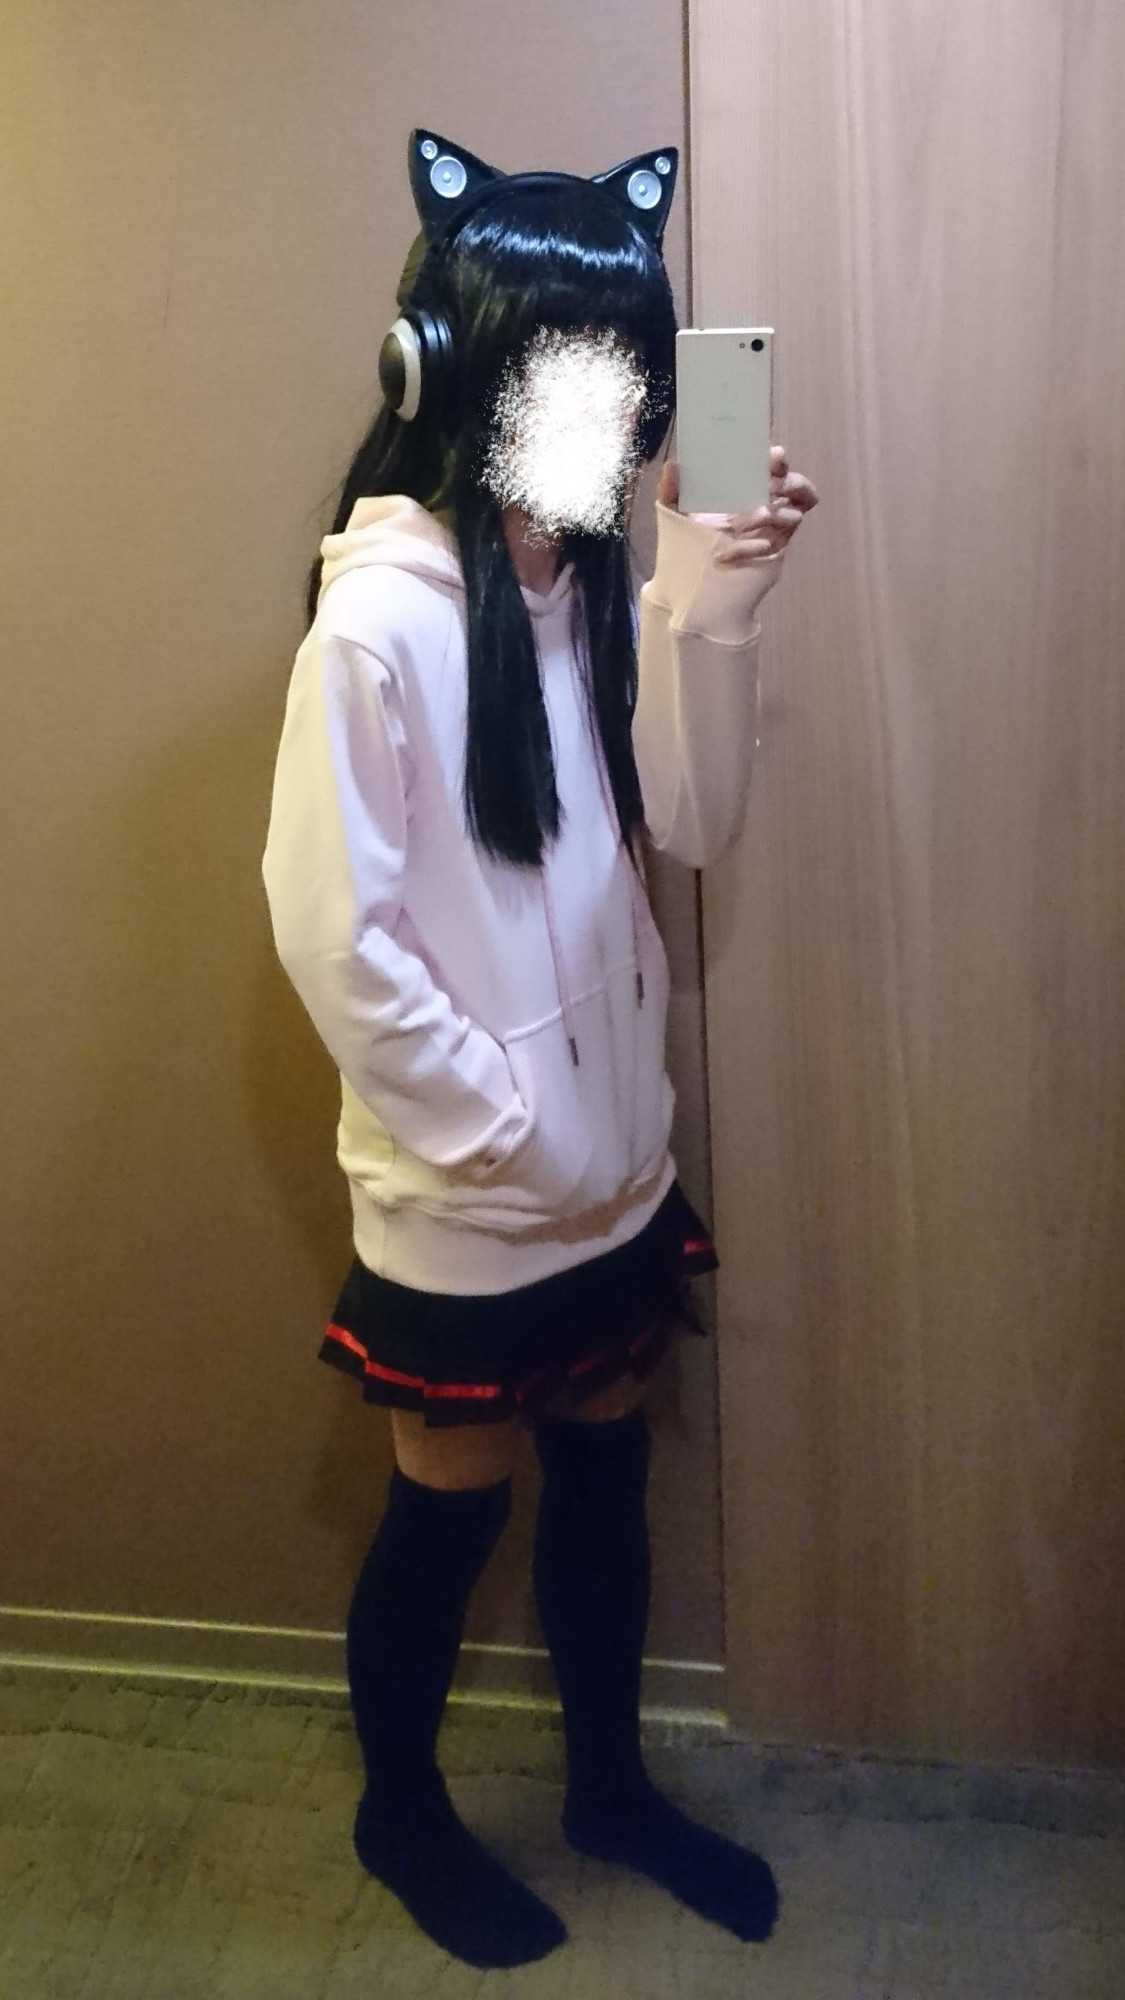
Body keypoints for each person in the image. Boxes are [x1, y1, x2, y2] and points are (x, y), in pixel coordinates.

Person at [261, 127, 817, 1973]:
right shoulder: (377, 623)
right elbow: (331, 931)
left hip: (618, 1169)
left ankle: (607, 1789)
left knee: (603, 1481)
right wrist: (497, 1126)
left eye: (631, 380)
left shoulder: (594, 596)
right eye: (571, 375)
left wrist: (711, 599)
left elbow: (695, 826)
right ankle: (401, 1814)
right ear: (449, 368)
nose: (611, 415)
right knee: (448, 1514)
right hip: (474, 1187)